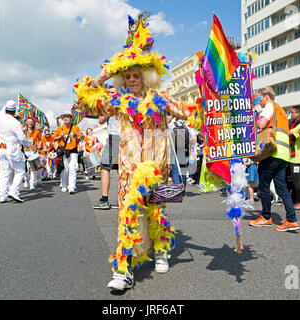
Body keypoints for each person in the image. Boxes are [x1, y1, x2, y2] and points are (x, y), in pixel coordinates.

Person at [74, 12, 203, 291]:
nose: (132, 79)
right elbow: (84, 106)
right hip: (130, 169)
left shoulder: (161, 99)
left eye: (136, 75)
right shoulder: (118, 101)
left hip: (158, 167)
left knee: (156, 212)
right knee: (127, 216)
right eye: (127, 75)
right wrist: (103, 74)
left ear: (147, 76)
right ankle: (124, 269)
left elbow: (189, 113)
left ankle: (160, 250)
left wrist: (209, 100)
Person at [248, 87, 300, 231]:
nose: (259, 102)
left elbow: (262, 124)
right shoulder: (281, 110)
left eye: (260, 98)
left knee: (263, 185)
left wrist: (256, 123)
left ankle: (266, 217)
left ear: (266, 97)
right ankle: (291, 220)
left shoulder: (270, 106)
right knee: (282, 187)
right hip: (283, 154)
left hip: (272, 152)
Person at [0, 100, 30, 203]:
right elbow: (22, 138)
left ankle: (3, 196)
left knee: (4, 173)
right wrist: (28, 144)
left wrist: (7, 103)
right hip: (13, 150)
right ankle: (13, 191)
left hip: (2, 149)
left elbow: (2, 111)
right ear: (14, 111)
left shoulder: (0, 119)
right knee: (20, 171)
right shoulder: (16, 123)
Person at [54, 111, 82, 194]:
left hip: (73, 151)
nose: (65, 118)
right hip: (63, 151)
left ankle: (72, 187)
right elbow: (54, 139)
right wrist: (61, 136)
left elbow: (80, 139)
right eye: (64, 117)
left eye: (67, 117)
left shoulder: (76, 128)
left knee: (72, 168)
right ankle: (64, 185)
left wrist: (75, 136)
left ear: (71, 119)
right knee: (65, 169)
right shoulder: (60, 128)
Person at [288, 106, 300, 210]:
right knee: (293, 180)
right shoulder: (294, 123)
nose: (291, 115)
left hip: (298, 157)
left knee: (297, 181)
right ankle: (294, 200)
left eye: (292, 113)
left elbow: (290, 132)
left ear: (298, 114)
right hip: (292, 157)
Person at [23, 117, 42, 191]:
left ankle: (32, 183)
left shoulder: (37, 131)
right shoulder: (23, 131)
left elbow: (40, 140)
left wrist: (39, 145)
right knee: (26, 168)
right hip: (26, 151)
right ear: (26, 123)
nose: (30, 123)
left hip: (34, 151)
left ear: (33, 123)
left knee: (33, 168)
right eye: (29, 121)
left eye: (31, 121)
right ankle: (26, 180)